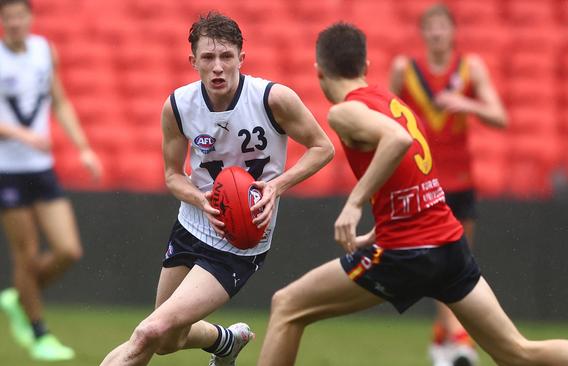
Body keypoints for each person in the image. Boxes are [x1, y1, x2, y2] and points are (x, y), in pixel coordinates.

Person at [256, 22, 568, 366]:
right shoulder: (392, 102)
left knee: (286, 306)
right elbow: (407, 174)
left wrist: (354, 203)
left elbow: (397, 141)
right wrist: (378, 229)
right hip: (447, 244)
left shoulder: (344, 111)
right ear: (367, 67)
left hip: (408, 254)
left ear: (318, 70)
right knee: (516, 352)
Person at [99, 12, 334, 366]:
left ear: (242, 57)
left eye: (226, 56)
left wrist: (276, 187)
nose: (218, 67)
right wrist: (200, 198)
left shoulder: (273, 99)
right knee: (165, 339)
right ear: (193, 61)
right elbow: (172, 176)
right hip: (191, 225)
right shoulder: (179, 106)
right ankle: (225, 341)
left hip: (241, 237)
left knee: (149, 332)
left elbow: (323, 147)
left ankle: (221, 340)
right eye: (208, 58)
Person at [388, 3, 508, 364]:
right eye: (431, 27)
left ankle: (447, 337)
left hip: (461, 180)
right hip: (422, 181)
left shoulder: (471, 68)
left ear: (453, 32)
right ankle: (457, 339)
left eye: (443, 26)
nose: (437, 33)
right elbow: (387, 114)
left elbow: (500, 117)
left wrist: (466, 103)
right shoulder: (405, 69)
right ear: (423, 33)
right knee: (438, 263)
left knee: (460, 261)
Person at [0, 0, 102, 361]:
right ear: (2, 21)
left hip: (41, 168)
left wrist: (84, 148)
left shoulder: (44, 50)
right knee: (25, 254)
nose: (14, 22)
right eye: (8, 17)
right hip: (6, 171)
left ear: (29, 17)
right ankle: (39, 332)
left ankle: (18, 295)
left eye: (19, 15)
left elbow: (59, 101)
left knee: (68, 249)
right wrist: (22, 136)